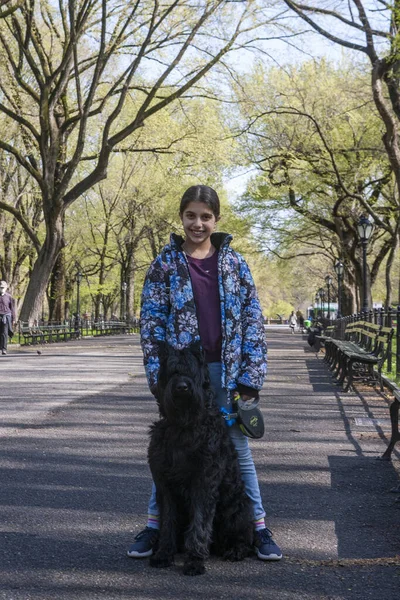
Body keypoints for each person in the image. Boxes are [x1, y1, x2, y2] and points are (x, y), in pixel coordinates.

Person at [127, 185, 282, 562]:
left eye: (206, 216)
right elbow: (152, 324)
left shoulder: (235, 264)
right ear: (181, 218)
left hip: (227, 371)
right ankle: (155, 526)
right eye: (191, 215)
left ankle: (257, 527)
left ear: (216, 220)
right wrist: (157, 376)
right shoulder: (164, 264)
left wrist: (250, 377)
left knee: (236, 446)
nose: (198, 223)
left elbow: (251, 322)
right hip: (182, 373)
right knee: (170, 451)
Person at [0, 280, 16, 355]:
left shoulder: (9, 297)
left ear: (6, 288)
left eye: (3, 287)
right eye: (0, 287)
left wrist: (13, 319)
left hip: (6, 316)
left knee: (4, 333)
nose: (1, 289)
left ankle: (4, 349)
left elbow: (12, 308)